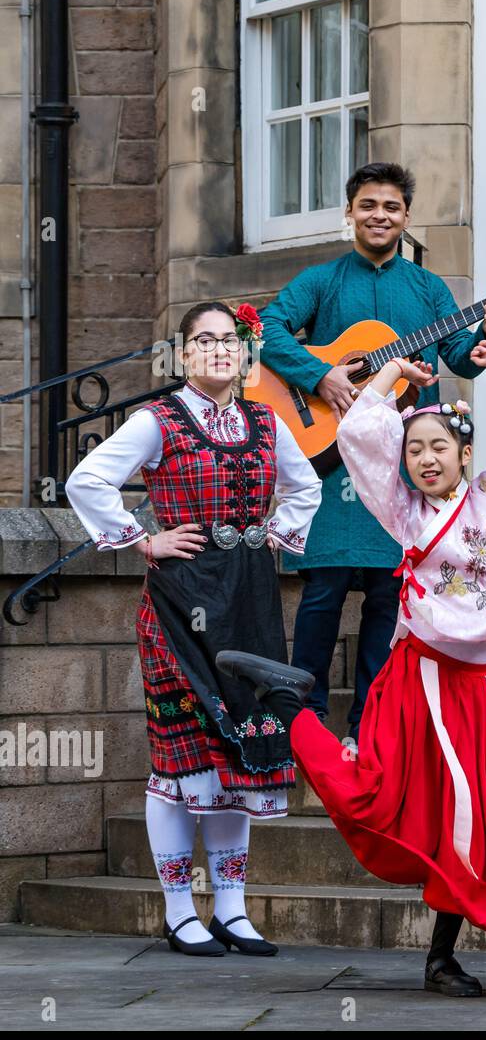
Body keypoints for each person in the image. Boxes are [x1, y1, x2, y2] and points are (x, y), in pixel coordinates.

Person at [218, 341, 486, 996]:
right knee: (373, 798)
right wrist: (388, 377)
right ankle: (290, 706)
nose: (426, 459)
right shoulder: (405, 511)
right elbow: (361, 435)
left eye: (439, 447)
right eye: (416, 451)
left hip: (482, 689)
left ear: (466, 454)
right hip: (418, 680)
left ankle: (441, 958)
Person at [65, 301, 321, 957]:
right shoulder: (159, 420)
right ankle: (181, 912)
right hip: (180, 606)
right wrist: (142, 540)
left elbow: (306, 488)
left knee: (244, 747)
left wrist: (275, 537)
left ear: (244, 352)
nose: (217, 350)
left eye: (228, 340)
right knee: (181, 758)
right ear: (183, 355)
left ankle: (232, 911)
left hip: (250, 601)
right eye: (203, 341)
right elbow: (88, 479)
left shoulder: (265, 420)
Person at [257, 162, 486, 741]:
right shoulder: (321, 281)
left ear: (405, 218)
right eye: (368, 205)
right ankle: (306, 715)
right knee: (322, 587)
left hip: (403, 459)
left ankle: (368, 721)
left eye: (391, 207)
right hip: (333, 463)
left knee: (386, 591)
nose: (380, 216)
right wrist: (321, 377)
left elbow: (460, 357)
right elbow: (267, 329)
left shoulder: (427, 289)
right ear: (350, 212)